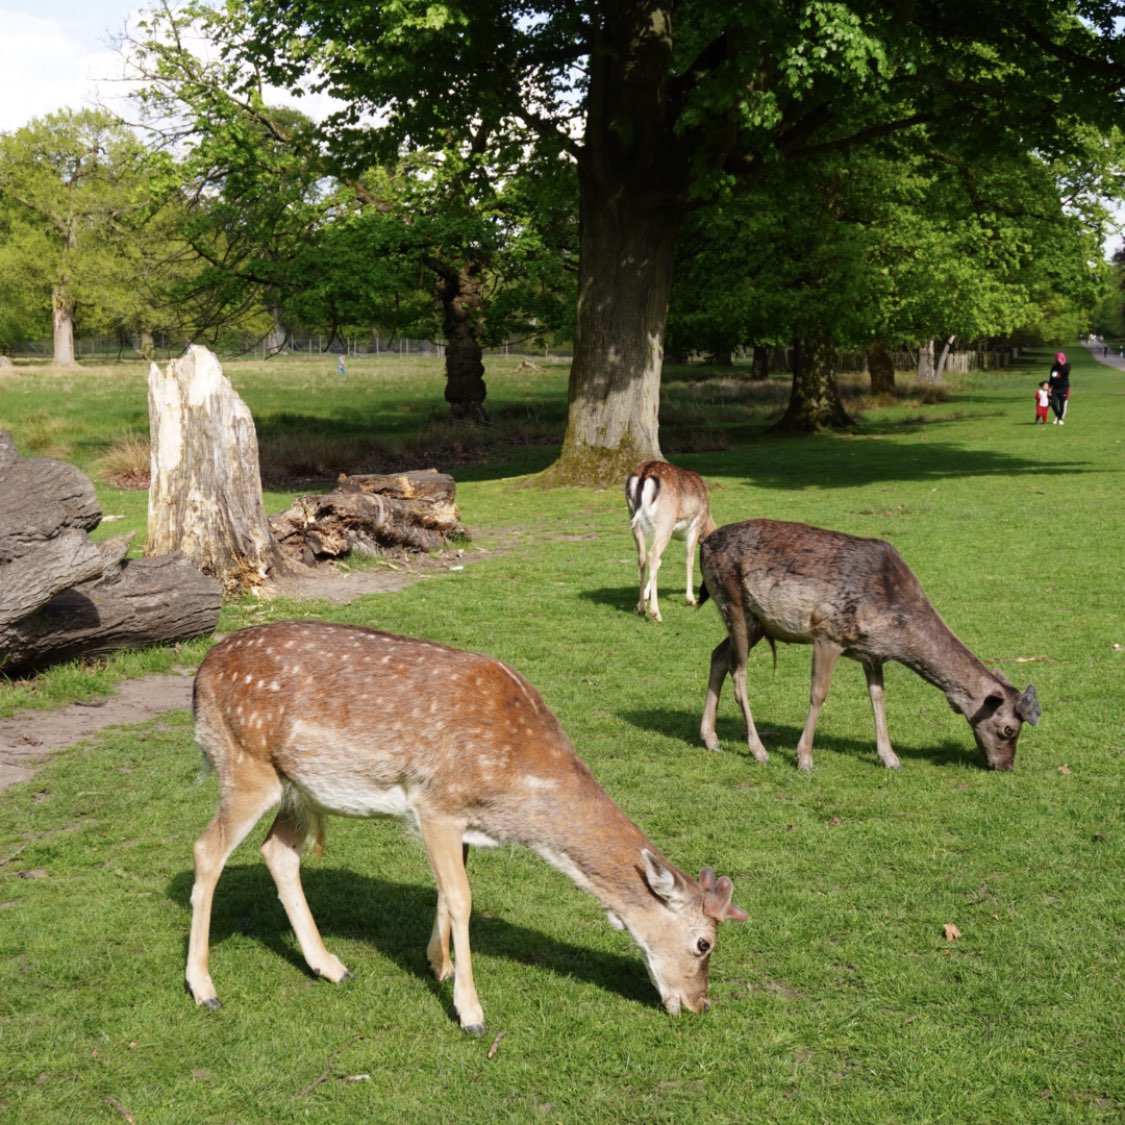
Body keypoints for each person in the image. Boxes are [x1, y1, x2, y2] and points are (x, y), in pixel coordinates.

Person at [1048, 351, 1070, 424]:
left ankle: (1060, 419)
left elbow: (1065, 372)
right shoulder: (1054, 367)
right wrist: (1049, 388)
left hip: (1063, 388)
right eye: (1057, 358)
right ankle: (1058, 416)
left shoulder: (1067, 365)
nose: (1058, 360)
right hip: (1055, 388)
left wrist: (1061, 363)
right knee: (1053, 404)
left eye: (1059, 358)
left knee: (1062, 405)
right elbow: (1051, 378)